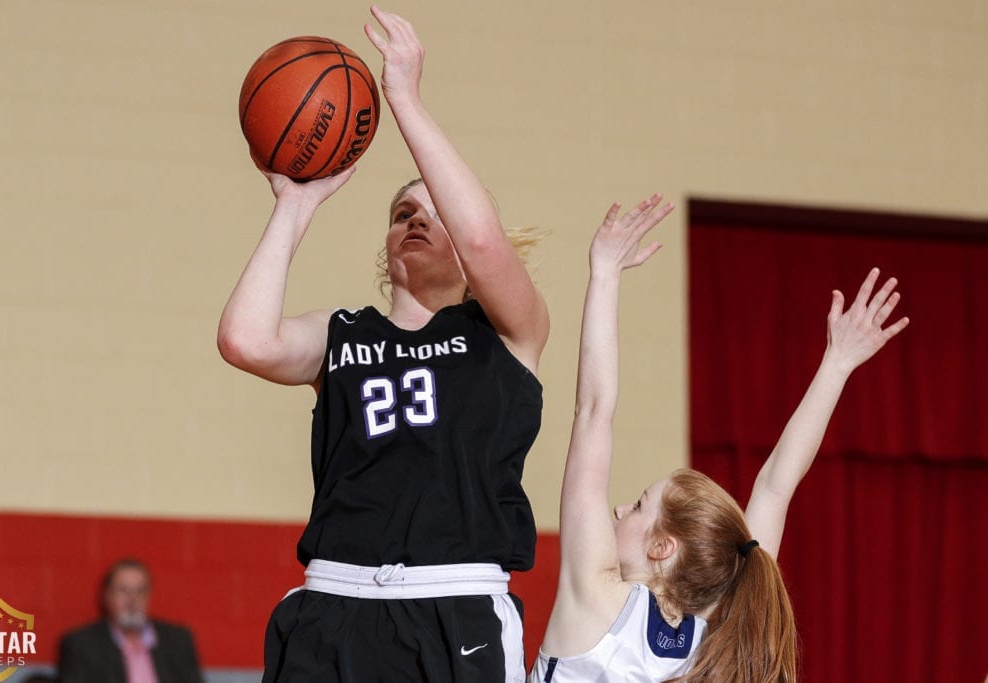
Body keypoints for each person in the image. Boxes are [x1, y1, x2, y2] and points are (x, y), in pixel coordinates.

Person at [217, 7, 549, 682]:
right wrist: (295, 204)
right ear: (387, 245)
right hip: (331, 606)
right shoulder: (342, 336)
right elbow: (244, 339)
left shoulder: (509, 331)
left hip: (452, 609)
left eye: (437, 213)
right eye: (403, 213)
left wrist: (403, 99)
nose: (416, 221)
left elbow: (483, 239)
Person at [529, 197, 909, 683]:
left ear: (663, 546)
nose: (621, 509)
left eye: (642, 505)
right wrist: (836, 365)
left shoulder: (597, 599)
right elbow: (776, 485)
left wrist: (605, 274)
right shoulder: (717, 633)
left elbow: (593, 414)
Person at [57, 558, 203, 683]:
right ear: (107, 596)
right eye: (123, 591)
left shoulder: (178, 641)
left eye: (140, 591)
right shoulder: (81, 645)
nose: (132, 600)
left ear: (149, 597)